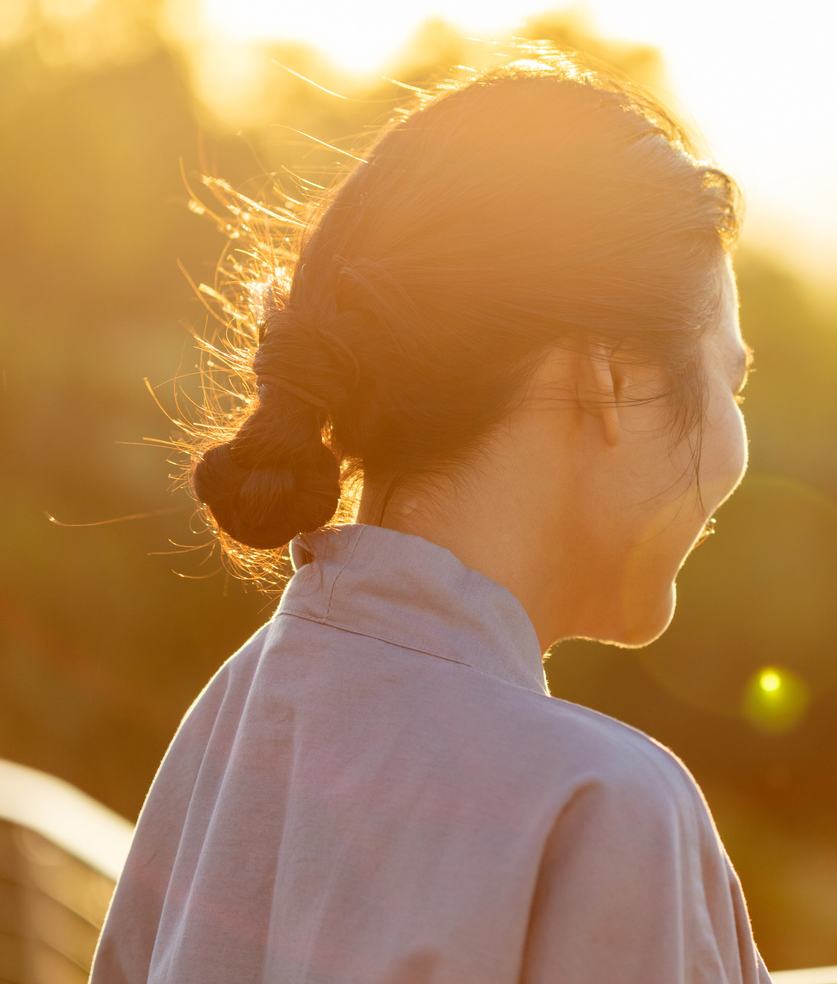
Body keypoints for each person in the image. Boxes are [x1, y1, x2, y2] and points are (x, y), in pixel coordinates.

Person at [91, 55, 769, 983]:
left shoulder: (231, 725)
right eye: (731, 382)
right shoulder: (603, 809)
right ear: (609, 377)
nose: (736, 443)